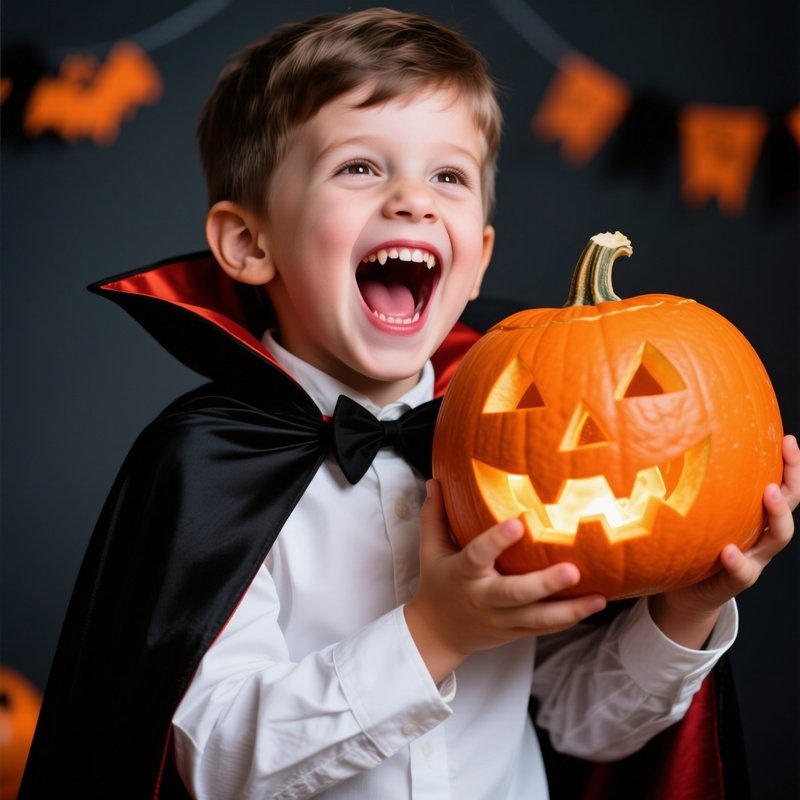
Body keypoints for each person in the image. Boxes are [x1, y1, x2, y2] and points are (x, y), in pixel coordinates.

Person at [20, 8, 799, 800]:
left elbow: (585, 728)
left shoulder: (536, 456)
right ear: (250, 244)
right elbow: (218, 763)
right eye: (360, 168)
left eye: (448, 176)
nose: (413, 201)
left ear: (477, 258)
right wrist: (434, 634)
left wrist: (686, 610)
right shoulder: (204, 468)